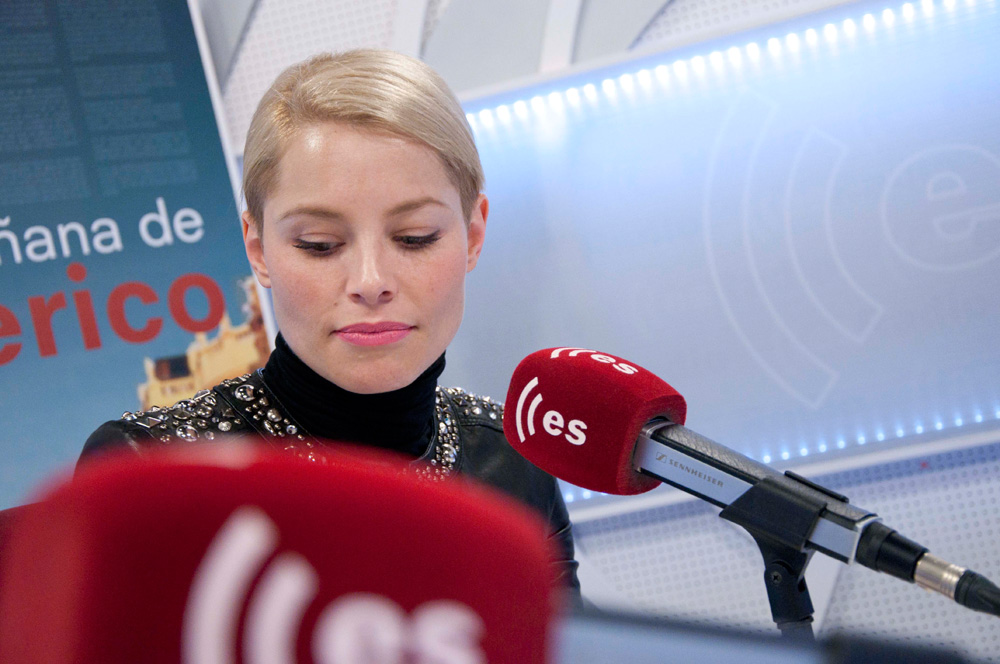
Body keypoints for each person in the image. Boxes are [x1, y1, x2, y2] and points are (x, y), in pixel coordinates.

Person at [79, 49, 580, 596]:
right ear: (258, 249)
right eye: (320, 244)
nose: (370, 280)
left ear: (473, 236)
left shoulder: (515, 456)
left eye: (414, 238)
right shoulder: (150, 473)